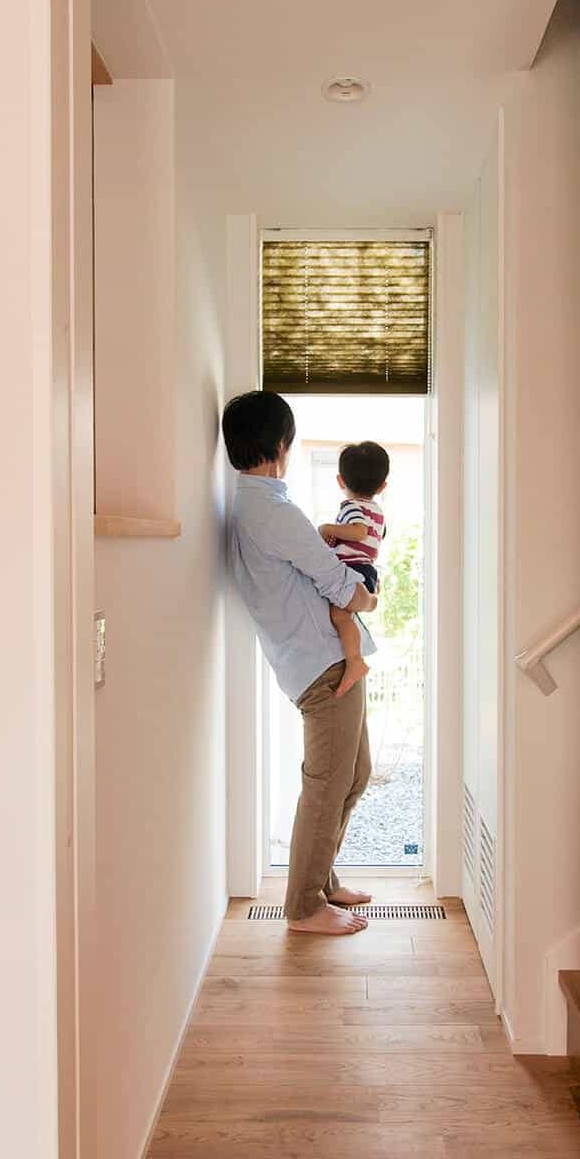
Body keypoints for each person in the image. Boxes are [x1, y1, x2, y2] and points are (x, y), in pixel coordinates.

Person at [222, 390, 379, 936]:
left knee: (352, 775)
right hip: (322, 664)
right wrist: (367, 599)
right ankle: (305, 906)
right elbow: (340, 584)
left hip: (318, 658)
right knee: (328, 784)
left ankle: (322, 879)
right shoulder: (273, 512)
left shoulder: (252, 507)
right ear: (280, 445)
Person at [318, 441, 390, 699]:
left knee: (339, 615)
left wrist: (327, 529)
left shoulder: (350, 507)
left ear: (340, 480)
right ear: (382, 486)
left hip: (354, 570)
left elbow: (358, 532)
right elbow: (370, 538)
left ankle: (354, 661)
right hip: (366, 571)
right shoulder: (378, 513)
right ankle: (355, 658)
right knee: (346, 615)